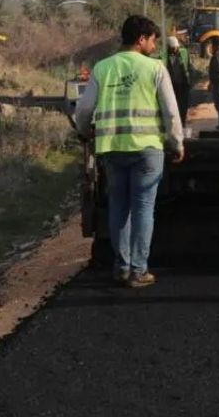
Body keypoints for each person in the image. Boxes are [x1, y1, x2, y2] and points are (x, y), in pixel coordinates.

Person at [73, 15, 185, 288]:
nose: (155, 46)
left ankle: (121, 267)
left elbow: (85, 109)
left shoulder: (102, 68)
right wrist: (176, 143)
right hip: (147, 149)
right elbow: (171, 112)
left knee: (119, 207)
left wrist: (83, 131)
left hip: (112, 148)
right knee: (144, 207)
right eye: (153, 40)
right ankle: (138, 270)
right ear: (141, 40)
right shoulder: (155, 68)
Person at [164, 35, 192, 123]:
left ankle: (182, 124)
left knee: (183, 106)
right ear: (169, 47)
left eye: (176, 47)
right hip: (170, 86)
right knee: (172, 107)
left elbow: (189, 67)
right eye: (173, 48)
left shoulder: (183, 53)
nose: (175, 49)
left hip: (183, 85)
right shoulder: (164, 56)